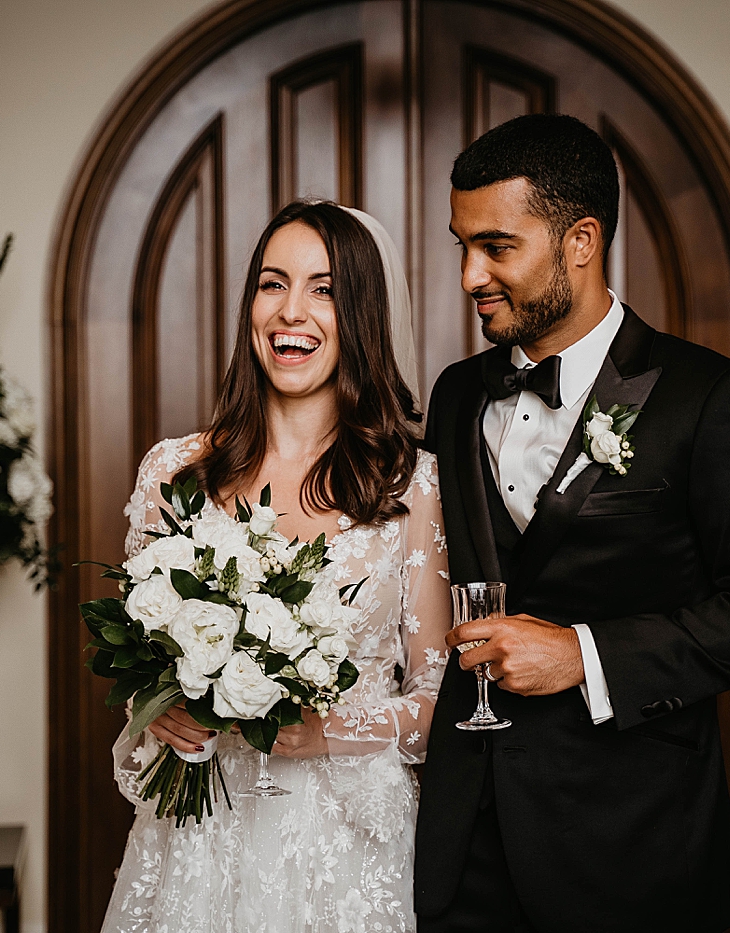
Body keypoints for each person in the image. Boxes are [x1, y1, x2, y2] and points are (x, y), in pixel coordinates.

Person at [414, 113, 730, 932]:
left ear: (581, 239)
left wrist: (586, 654)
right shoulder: (456, 392)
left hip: (637, 851)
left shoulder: (713, 397)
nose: (469, 275)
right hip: (468, 849)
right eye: (461, 246)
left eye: (496, 247)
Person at [100, 200, 451, 933]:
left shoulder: (411, 486)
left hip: (345, 856)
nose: (292, 311)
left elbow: (435, 700)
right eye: (272, 283)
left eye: (324, 289)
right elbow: (134, 668)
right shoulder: (174, 472)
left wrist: (326, 730)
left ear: (361, 314)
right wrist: (161, 710)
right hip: (198, 845)